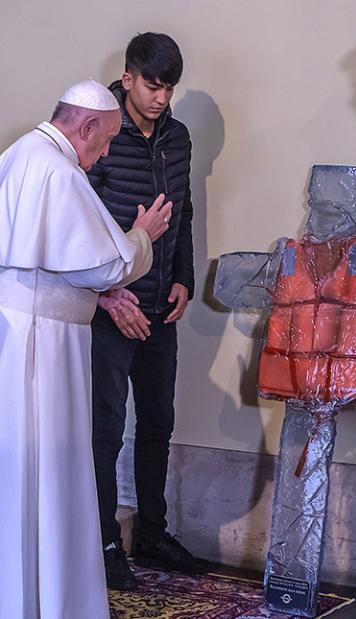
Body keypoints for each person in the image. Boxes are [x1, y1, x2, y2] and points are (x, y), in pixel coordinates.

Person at [0, 79, 172, 619]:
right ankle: (48, 600)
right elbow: (110, 261)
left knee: (21, 475)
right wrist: (142, 234)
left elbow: (54, 262)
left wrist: (101, 289)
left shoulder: (17, 155)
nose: (101, 155)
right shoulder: (57, 169)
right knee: (48, 471)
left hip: (18, 337)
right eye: (104, 142)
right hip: (44, 349)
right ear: (87, 125)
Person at [88, 32, 205, 591]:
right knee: (105, 431)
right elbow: (77, 221)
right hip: (109, 311)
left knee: (158, 422)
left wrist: (182, 275)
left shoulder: (178, 137)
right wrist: (108, 296)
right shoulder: (101, 134)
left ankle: (153, 534)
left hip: (161, 307)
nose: (161, 97)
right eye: (153, 85)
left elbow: (183, 209)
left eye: (170, 88)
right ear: (129, 77)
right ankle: (105, 543)